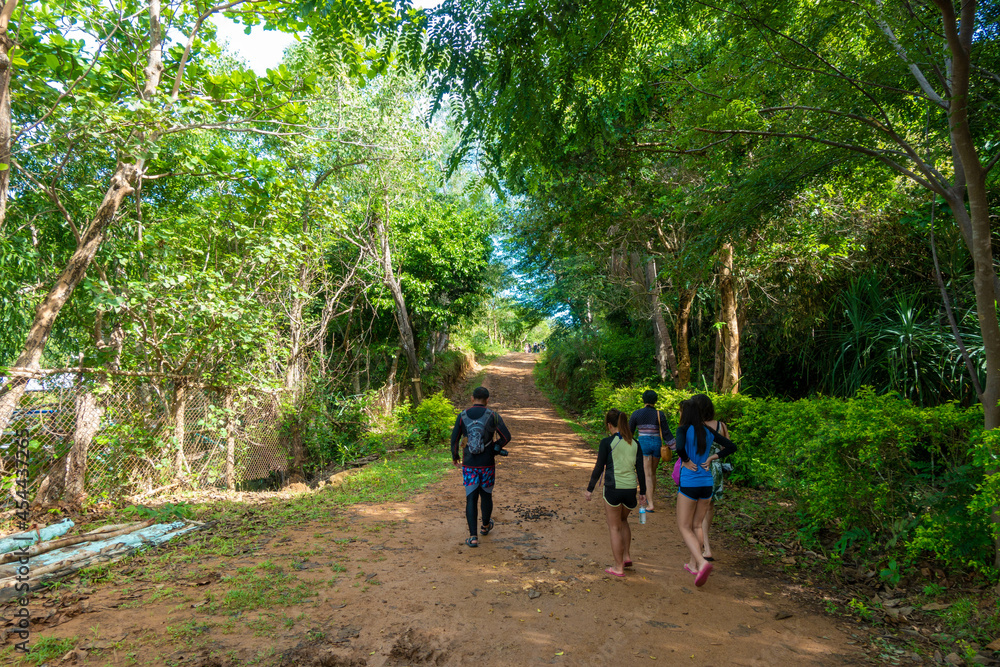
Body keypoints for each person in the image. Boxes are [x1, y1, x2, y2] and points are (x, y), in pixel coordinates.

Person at [674, 399, 736, 587]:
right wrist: (712, 457)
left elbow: (678, 447)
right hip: (706, 482)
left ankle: (701, 562)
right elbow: (732, 446)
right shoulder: (708, 430)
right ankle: (693, 564)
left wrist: (685, 459)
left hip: (690, 482)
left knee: (684, 526)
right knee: (697, 525)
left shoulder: (683, 429)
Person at [585, 409, 647, 577]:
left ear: (609, 425)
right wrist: (643, 492)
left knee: (614, 527)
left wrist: (590, 489)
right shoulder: (635, 443)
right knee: (624, 520)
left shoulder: (607, 442)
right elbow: (640, 470)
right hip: (630, 489)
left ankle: (618, 567)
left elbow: (599, 467)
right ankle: (626, 556)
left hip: (613, 488)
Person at [451, 386, 512, 548]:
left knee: (471, 497)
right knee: (486, 495)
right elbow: (507, 436)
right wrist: (496, 447)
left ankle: (473, 537)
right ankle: (485, 526)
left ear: (472, 398)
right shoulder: (493, 416)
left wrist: (455, 456)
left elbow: (454, 439)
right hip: (487, 463)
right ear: (487, 400)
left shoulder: (462, 416)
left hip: (470, 464)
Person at [689, 393, 729, 562]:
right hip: (715, 470)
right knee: (709, 508)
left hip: (698, 468)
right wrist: (714, 457)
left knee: (695, 510)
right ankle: (707, 547)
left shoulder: (695, 426)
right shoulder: (721, 425)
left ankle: (701, 548)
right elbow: (726, 447)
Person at [628, 390, 672, 513]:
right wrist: (675, 448)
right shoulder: (660, 414)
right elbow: (667, 433)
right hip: (657, 444)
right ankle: (650, 498)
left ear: (643, 400)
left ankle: (650, 503)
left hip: (643, 444)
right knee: (652, 473)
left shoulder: (636, 414)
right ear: (655, 400)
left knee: (646, 474)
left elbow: (629, 432)